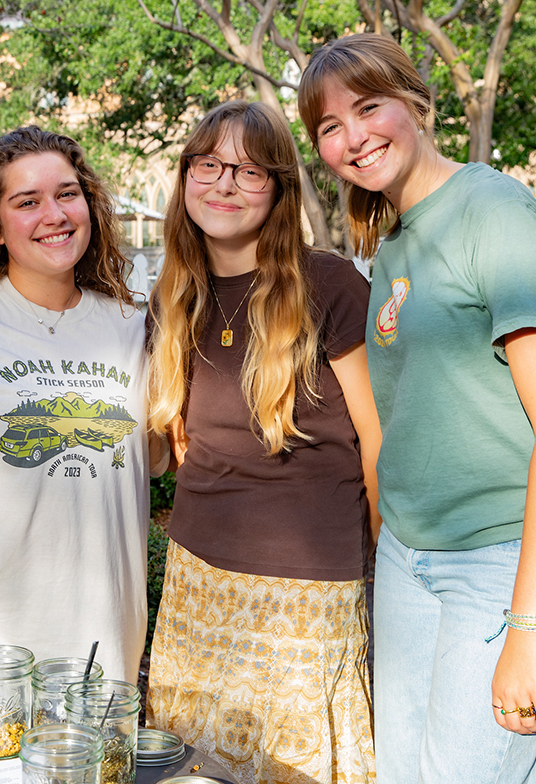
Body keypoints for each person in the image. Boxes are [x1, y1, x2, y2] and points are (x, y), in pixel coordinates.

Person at [298, 33, 536, 784]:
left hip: (499, 560)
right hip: (411, 555)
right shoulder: (396, 239)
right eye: (330, 126)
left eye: (368, 107)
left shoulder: (492, 211)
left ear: (417, 102)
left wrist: (530, 627)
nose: (354, 137)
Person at [144, 100, 381, 784]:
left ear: (280, 188)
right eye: (209, 165)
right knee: (195, 766)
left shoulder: (330, 285)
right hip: (197, 582)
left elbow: (379, 441)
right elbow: (184, 446)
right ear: (186, 177)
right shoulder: (173, 295)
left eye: (250, 170)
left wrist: (373, 571)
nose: (224, 183)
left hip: (304, 597)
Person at [0, 127, 151, 694]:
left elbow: (165, 454)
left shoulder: (132, 327)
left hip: (98, 646)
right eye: (27, 201)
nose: (54, 214)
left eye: (67, 194)